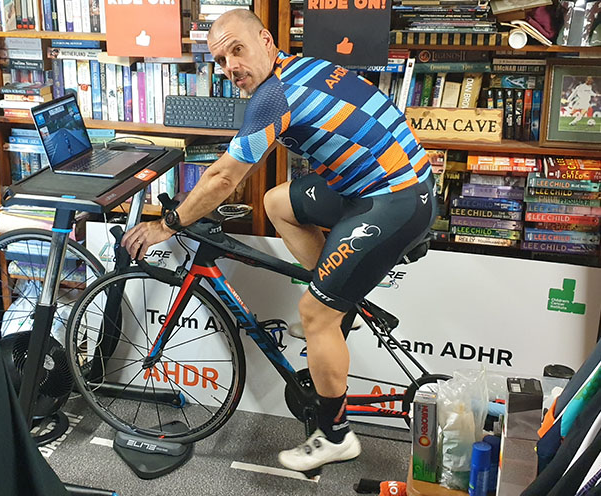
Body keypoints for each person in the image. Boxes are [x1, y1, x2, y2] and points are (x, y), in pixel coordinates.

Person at [121, 9, 436, 472]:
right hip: (380, 183)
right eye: (221, 61)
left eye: (238, 50)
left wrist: (167, 224)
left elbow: (224, 178)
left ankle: (336, 435)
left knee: (314, 314)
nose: (231, 67)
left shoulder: (274, 96)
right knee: (278, 202)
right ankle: (336, 301)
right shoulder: (298, 67)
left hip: (396, 200)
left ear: (266, 41)